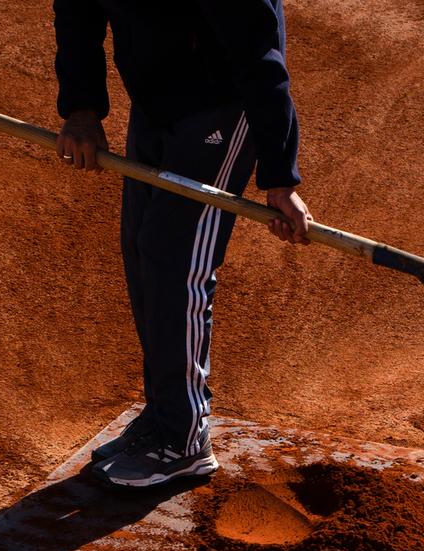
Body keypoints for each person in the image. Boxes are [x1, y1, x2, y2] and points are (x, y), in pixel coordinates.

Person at [53, 0, 310, 487]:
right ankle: (164, 414)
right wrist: (81, 108)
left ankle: (185, 437)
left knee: (176, 262)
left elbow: (260, 56)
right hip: (156, 102)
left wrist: (279, 180)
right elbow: (78, 6)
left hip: (221, 106)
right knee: (142, 251)